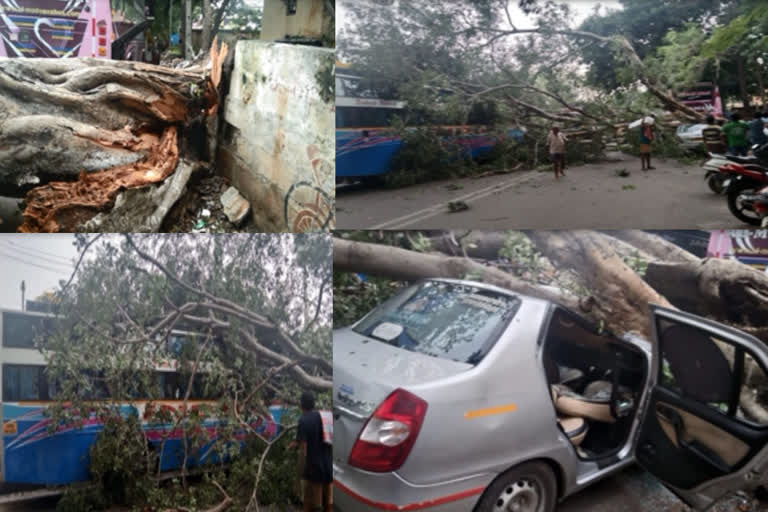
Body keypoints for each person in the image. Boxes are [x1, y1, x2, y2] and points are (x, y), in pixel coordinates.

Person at [295, 391, 332, 512]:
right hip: (327, 465)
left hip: (313, 469)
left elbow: (303, 450)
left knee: (312, 503)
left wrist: (299, 475)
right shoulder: (324, 416)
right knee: (328, 503)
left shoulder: (303, 420)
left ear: (301, 405)